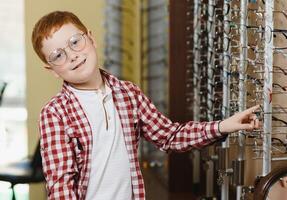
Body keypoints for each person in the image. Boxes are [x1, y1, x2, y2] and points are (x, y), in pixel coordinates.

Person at [31, 11, 260, 200]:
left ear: (91, 38)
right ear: (51, 70)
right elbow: (61, 187)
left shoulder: (128, 93)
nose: (72, 55)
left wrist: (222, 126)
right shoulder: (55, 113)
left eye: (75, 42)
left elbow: (169, 136)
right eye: (57, 55)